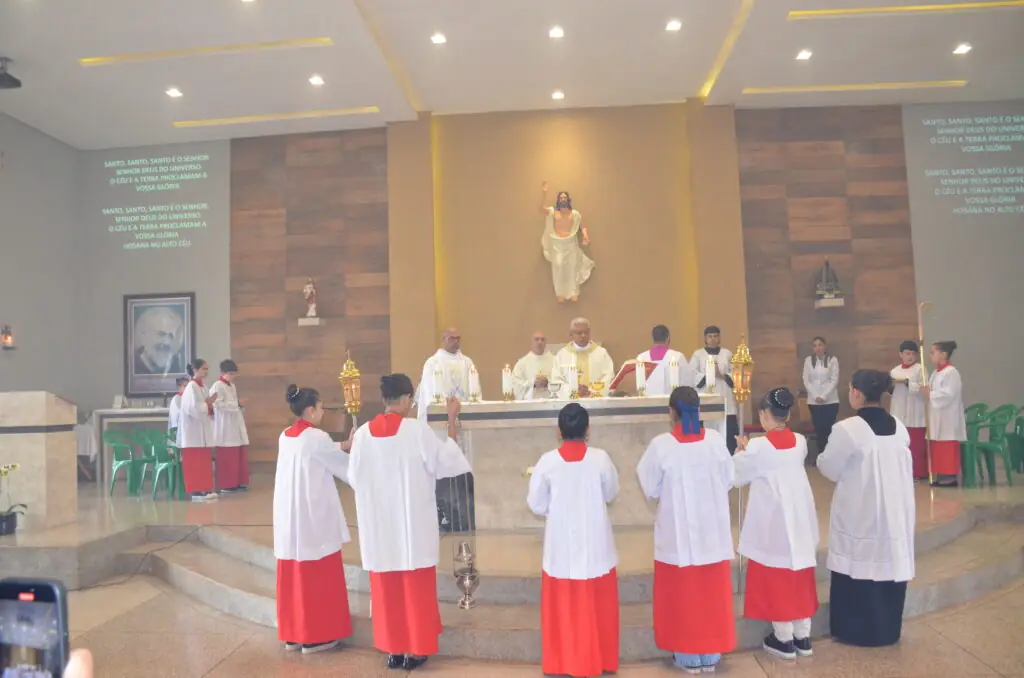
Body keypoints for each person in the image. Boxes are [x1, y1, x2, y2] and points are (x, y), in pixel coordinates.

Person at [348, 374, 471, 671]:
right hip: (412, 525)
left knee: (386, 589)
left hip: (380, 527)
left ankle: (394, 650)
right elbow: (445, 462)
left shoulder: (363, 434)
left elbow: (353, 477)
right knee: (415, 588)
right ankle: (416, 649)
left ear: (384, 399)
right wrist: (452, 422)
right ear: (405, 400)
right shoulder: (417, 431)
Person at [636, 386, 735, 674]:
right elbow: (729, 479)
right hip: (712, 533)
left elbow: (651, 488)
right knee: (710, 593)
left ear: (671, 413)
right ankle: (711, 652)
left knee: (683, 594)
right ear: (698, 411)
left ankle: (687, 653)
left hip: (678, 536)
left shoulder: (661, 446)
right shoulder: (716, 442)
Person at [817, 369, 916, 647]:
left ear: (857, 393)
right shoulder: (899, 426)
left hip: (861, 514)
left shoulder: (847, 429)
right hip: (894, 514)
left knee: (858, 565)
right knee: (887, 564)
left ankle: (855, 631)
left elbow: (829, 467)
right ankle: (886, 630)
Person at [528, 403, 620, 677]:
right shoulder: (601, 459)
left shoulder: (547, 462)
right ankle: (599, 658)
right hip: (595, 544)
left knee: (564, 608)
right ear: (588, 430)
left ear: (559, 431)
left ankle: (563, 661)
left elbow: (536, 504)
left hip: (561, 547)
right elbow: (611, 492)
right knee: (597, 606)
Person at [734, 387, 819, 660]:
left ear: (763, 415)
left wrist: (740, 449)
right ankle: (802, 636)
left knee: (777, 577)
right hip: (799, 518)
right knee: (799, 575)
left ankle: (783, 639)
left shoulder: (759, 446)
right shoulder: (800, 441)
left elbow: (736, 474)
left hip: (775, 523)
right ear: (788, 414)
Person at [274, 384, 354, 654]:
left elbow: (323, 450)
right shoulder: (317, 437)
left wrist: (343, 444)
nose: (322, 412)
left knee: (294, 574)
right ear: (310, 409)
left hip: (290, 519)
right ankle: (317, 636)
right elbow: (343, 466)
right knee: (318, 576)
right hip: (313, 518)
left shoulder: (285, 436)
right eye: (321, 408)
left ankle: (294, 635)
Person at [539, 181, 594, 303]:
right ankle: (560, 293)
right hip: (558, 244)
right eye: (561, 197)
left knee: (572, 268)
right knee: (558, 266)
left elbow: (582, 226)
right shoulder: (553, 212)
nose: (563, 199)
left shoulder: (574, 214)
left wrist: (585, 236)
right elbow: (541, 209)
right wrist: (544, 194)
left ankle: (573, 292)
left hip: (570, 244)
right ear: (558, 200)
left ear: (568, 199)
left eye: (565, 197)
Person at [921, 341, 965, 487]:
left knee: (946, 444)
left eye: (933, 352)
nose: (930, 355)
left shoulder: (951, 372)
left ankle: (949, 478)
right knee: (937, 444)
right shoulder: (936, 372)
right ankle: (940, 475)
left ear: (944, 355)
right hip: (936, 416)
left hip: (947, 417)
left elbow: (949, 394)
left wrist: (931, 394)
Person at [690, 326, 738, 452]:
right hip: (705, 399)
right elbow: (692, 374)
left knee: (727, 436)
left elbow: (735, 374)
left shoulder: (727, 354)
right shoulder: (698, 354)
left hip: (725, 398)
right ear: (705, 339)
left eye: (716, 336)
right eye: (710, 336)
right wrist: (709, 374)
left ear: (719, 337)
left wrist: (720, 375)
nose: (713, 339)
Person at [416, 327, 477, 421]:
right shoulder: (433, 363)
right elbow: (428, 392)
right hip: (441, 417)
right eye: (452, 338)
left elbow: (475, 389)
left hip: (465, 415)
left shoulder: (467, 362)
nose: (456, 341)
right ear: (443, 340)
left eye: (458, 338)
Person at [178, 359, 218, 502]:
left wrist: (211, 405)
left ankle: (206, 488)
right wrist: (207, 405)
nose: (206, 372)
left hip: (202, 431)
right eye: (203, 369)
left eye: (207, 369)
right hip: (192, 432)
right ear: (195, 370)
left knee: (203, 461)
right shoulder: (191, 387)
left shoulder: (204, 387)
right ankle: (196, 491)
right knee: (195, 462)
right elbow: (192, 408)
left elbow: (205, 405)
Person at [210, 359, 250, 493]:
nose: (233, 376)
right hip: (224, 425)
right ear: (223, 373)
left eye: (234, 374)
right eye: (230, 374)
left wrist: (240, 404)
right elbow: (217, 405)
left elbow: (234, 403)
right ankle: (227, 485)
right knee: (227, 455)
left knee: (237, 453)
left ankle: (237, 482)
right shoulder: (217, 386)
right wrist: (236, 404)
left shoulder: (232, 386)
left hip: (234, 423)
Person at [890, 340, 928, 480]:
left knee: (916, 445)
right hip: (899, 409)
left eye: (913, 353)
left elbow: (923, 388)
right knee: (900, 444)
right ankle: (901, 473)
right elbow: (890, 391)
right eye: (907, 353)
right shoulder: (895, 371)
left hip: (914, 410)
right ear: (901, 354)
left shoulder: (920, 369)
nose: (910, 356)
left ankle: (918, 473)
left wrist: (907, 383)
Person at [550, 317, 615, 398]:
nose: (583, 335)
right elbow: (557, 380)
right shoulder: (562, 355)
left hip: (595, 402)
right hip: (571, 403)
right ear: (571, 334)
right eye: (579, 333)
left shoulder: (601, 353)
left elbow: (608, 377)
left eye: (586, 332)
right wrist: (574, 390)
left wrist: (590, 391)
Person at [803, 337, 840, 461]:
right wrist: (815, 396)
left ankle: (829, 456)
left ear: (825, 346)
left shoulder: (832, 360)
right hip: (814, 402)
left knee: (828, 428)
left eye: (820, 345)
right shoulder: (808, 361)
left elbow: (834, 379)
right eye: (815, 345)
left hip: (831, 401)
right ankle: (821, 456)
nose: (817, 348)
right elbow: (806, 380)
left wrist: (824, 396)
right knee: (819, 429)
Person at [636, 325, 695, 396]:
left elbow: (637, 385)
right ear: (668, 338)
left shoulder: (641, 358)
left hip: (647, 403)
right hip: (672, 402)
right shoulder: (677, 357)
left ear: (653, 338)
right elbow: (688, 383)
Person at [133, 306, 185, 375]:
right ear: (144, 337)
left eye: (170, 336)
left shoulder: (177, 367)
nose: (166, 341)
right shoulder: (134, 366)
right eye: (161, 334)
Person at [511, 330, 556, 400]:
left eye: (542, 339)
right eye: (536, 339)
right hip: (529, 405)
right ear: (531, 342)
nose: (539, 342)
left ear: (545, 343)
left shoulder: (555, 361)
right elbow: (516, 384)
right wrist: (533, 384)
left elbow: (560, 382)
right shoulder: (522, 363)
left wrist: (548, 383)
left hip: (551, 404)